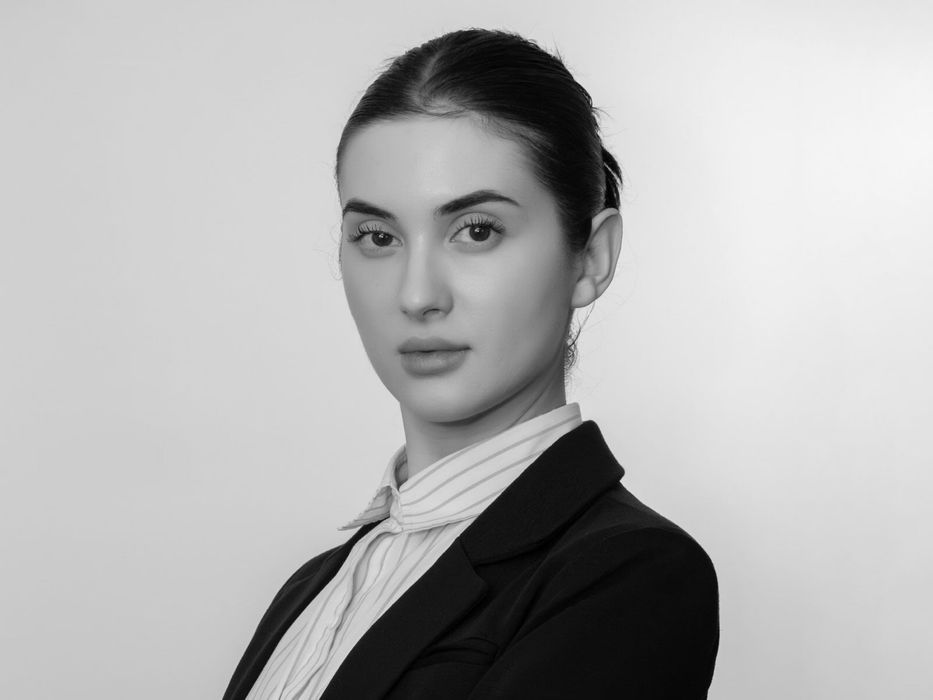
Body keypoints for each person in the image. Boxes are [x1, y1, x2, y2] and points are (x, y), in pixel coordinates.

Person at [223, 28, 719, 700]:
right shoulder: (312, 589)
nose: (417, 295)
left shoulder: (627, 571)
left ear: (591, 258)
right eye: (377, 236)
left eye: (477, 231)